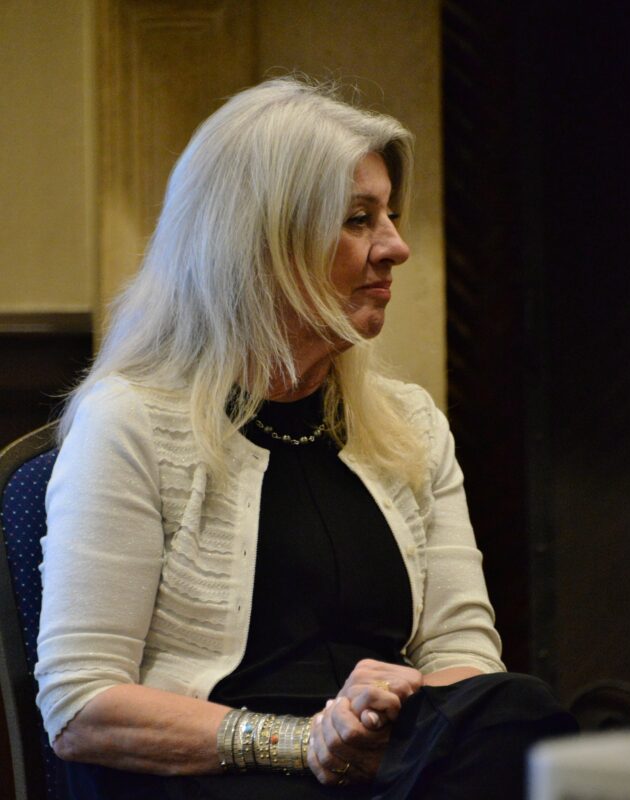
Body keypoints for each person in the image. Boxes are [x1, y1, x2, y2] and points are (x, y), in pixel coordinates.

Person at [36, 77, 576, 800]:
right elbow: (80, 705)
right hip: (212, 773)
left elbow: (463, 654)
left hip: (386, 769)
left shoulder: (410, 423)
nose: (396, 247)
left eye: (389, 216)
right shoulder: (129, 420)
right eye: (359, 219)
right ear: (259, 241)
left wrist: (384, 720)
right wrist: (306, 743)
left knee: (520, 709)